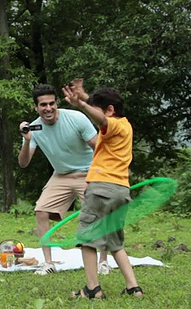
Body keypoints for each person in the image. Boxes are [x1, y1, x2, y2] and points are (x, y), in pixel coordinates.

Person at [18, 83, 110, 275]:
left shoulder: (76, 118)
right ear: (36, 107)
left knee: (98, 213)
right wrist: (27, 141)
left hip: (88, 172)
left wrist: (100, 175)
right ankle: (48, 263)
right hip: (61, 175)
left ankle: (103, 261)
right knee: (41, 211)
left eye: (52, 103)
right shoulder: (34, 128)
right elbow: (23, 163)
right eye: (43, 105)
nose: (48, 108)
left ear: (56, 103)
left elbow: (98, 147)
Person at [62, 80, 143, 299]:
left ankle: (92, 289)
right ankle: (133, 287)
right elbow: (102, 111)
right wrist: (85, 97)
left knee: (87, 238)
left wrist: (81, 105)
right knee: (115, 241)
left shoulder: (112, 124)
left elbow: (102, 118)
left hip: (102, 188)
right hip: (120, 190)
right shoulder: (126, 125)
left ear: (110, 110)